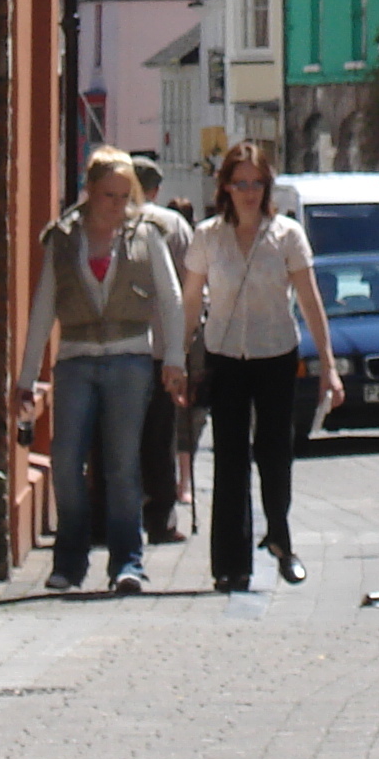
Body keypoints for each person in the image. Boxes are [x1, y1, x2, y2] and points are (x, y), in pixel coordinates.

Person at [12, 146, 186, 593]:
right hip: (75, 358)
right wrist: (26, 379)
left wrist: (174, 361)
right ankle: (70, 558)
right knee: (67, 460)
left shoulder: (146, 235)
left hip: (129, 359)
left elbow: (170, 298)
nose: (118, 205)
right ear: (89, 191)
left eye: (125, 196)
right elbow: (42, 307)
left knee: (122, 464)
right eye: (109, 195)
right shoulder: (63, 238)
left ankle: (128, 562)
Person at [180, 141, 341, 591]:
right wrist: (177, 357)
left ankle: (280, 539)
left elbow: (310, 302)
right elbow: (191, 301)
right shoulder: (208, 236)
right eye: (241, 183)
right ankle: (230, 566)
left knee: (275, 454)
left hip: (275, 353)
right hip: (226, 356)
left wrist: (328, 365)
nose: (249, 192)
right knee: (229, 460)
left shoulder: (287, 235)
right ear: (226, 187)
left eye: (257, 183)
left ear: (267, 186)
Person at [131, 156, 193, 544]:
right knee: (160, 436)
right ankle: (161, 519)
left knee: (119, 435)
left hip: (123, 347)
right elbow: (192, 289)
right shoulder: (174, 225)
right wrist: (185, 348)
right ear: (155, 189)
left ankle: (113, 516)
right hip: (164, 351)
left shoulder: (112, 219)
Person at [164, 194, 207, 526]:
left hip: (183, 335)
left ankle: (179, 483)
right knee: (189, 412)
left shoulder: (195, 248)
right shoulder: (191, 244)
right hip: (186, 336)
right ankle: (181, 482)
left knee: (184, 411)